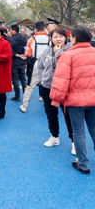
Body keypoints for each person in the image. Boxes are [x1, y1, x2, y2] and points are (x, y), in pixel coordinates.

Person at [50, 25, 95, 174]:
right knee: (94, 130)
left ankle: (83, 163)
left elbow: (61, 80)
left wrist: (56, 99)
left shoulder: (68, 55)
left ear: (74, 38)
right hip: (93, 99)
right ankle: (83, 162)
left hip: (75, 101)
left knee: (78, 132)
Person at [36, 28, 75, 155]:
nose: (58, 39)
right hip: (48, 87)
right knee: (50, 114)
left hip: (65, 89)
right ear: (51, 39)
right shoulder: (47, 51)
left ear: (66, 37)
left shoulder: (70, 51)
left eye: (61, 36)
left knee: (69, 116)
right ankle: (54, 136)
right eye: (55, 37)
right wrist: (42, 81)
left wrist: (58, 51)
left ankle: (74, 142)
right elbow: (40, 67)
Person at [20, 21, 49, 113]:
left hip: (36, 65)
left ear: (35, 29)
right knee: (49, 85)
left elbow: (28, 53)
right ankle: (49, 105)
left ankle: (24, 105)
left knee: (30, 86)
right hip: (47, 65)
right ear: (45, 29)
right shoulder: (50, 39)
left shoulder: (31, 39)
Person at [9, 24, 27, 102]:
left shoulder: (11, 39)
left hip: (15, 61)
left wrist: (17, 55)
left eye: (10, 30)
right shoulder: (23, 38)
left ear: (14, 30)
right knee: (23, 79)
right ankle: (26, 96)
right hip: (22, 61)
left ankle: (17, 96)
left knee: (15, 79)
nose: (10, 31)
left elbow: (11, 51)